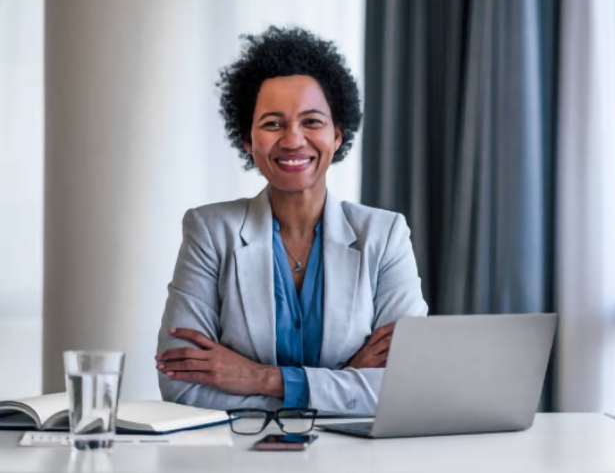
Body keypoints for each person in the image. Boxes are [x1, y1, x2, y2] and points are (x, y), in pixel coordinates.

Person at [155, 26, 428, 416]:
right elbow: (181, 386)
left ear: (337, 134)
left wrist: (260, 378)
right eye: (272, 123)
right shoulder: (210, 232)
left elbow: (408, 384)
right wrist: (345, 380)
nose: (293, 139)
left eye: (312, 122)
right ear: (248, 141)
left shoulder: (384, 236)